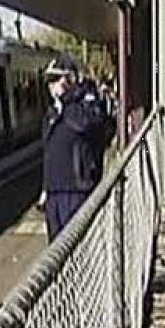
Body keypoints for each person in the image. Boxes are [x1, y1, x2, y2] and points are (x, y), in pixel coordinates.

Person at [40, 55, 108, 241]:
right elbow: (49, 149)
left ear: (70, 79)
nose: (51, 86)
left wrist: (67, 99)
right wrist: (46, 188)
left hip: (77, 188)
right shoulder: (53, 111)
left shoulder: (86, 101)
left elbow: (84, 125)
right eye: (49, 81)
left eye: (56, 79)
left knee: (76, 243)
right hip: (55, 191)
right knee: (56, 246)